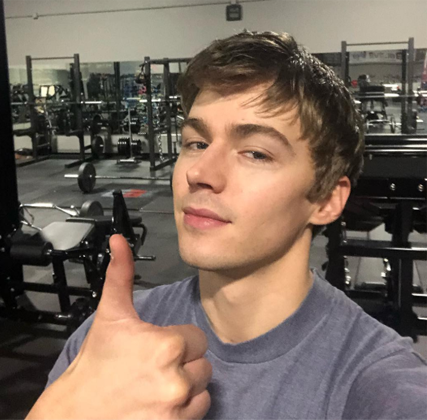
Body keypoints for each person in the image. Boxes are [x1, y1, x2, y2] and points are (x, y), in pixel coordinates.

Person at [26, 32, 427, 420]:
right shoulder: (112, 337)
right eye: (196, 143)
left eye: (255, 153)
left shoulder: (375, 382)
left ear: (326, 200)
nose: (200, 172)